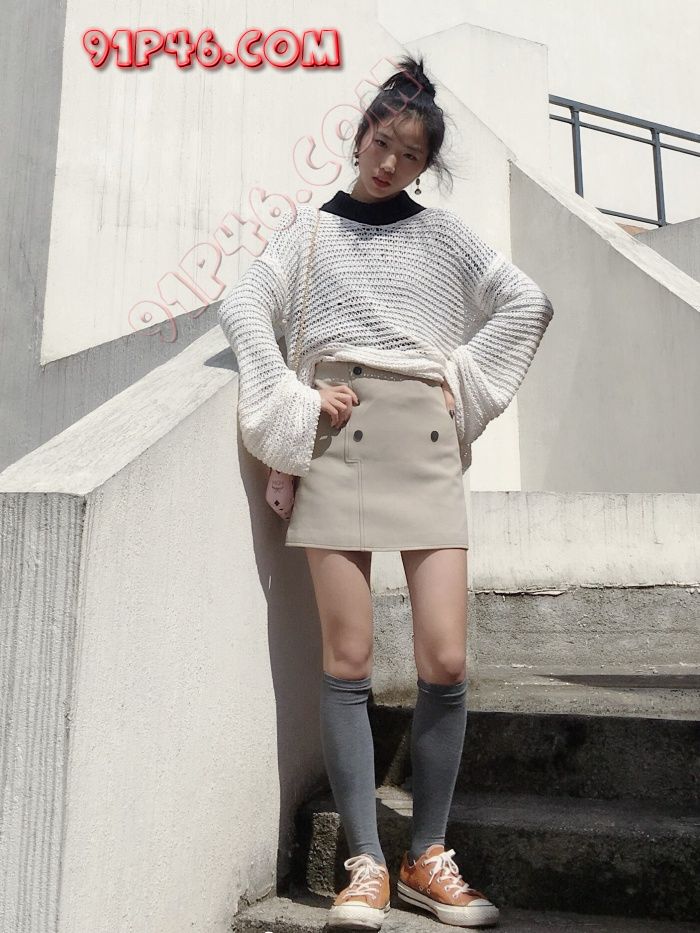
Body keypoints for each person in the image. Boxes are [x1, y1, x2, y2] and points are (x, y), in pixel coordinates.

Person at [217, 54, 554, 931]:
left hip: (426, 443)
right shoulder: (308, 232)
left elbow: (526, 303)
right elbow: (244, 305)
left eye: (410, 154)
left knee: (445, 660)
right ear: (360, 133)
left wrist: (463, 385)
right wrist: (296, 399)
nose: (391, 163)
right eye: (382, 143)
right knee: (349, 658)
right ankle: (364, 862)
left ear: (425, 163)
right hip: (338, 443)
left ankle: (427, 855)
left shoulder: (445, 236)